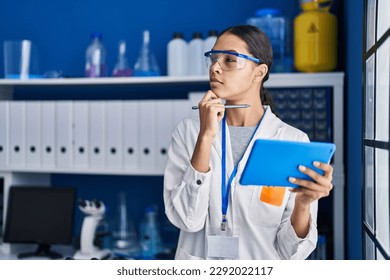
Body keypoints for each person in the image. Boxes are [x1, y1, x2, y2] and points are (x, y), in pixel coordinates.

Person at [163, 25, 334, 260]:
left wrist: (303, 205)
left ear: (259, 72)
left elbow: (290, 253)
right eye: (213, 58)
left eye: (229, 60)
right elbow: (186, 220)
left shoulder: (292, 140)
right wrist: (205, 136)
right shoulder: (188, 132)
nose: (215, 67)